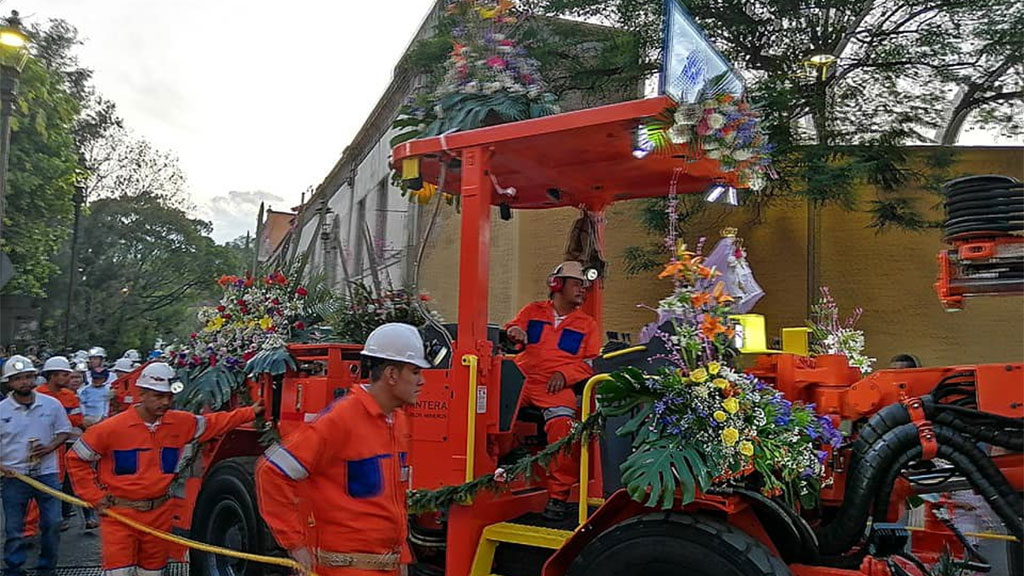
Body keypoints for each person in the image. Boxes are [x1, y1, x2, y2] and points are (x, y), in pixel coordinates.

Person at [256, 323, 430, 575]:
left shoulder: (398, 421)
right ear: (392, 374)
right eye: (415, 372)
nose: (422, 381)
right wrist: (295, 544)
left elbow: (391, 500)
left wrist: (400, 558)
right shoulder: (342, 418)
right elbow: (271, 471)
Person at [67, 362, 262, 576]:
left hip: (159, 515)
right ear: (142, 393)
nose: (165, 402)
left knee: (153, 572)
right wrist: (94, 496)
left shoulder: (180, 423)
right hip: (120, 516)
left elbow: (215, 422)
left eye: (169, 396)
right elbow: (76, 458)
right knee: (119, 573)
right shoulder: (111, 428)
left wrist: (250, 412)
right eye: (158, 396)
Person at [504, 261, 602, 521]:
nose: (582, 290)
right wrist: (513, 332)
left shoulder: (587, 324)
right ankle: (505, 465)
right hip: (523, 380)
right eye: (577, 284)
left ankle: (557, 495)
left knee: (563, 426)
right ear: (557, 285)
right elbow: (512, 332)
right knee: (492, 411)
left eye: (585, 286)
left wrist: (565, 375)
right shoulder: (532, 311)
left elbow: (590, 363)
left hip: (555, 387)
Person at [0, 355, 73, 576]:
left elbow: (64, 431)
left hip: (47, 474)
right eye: (18, 378)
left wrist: (50, 447)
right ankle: (14, 569)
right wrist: (3, 467)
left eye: (28, 377)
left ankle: (47, 569)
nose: (24, 382)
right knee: (14, 528)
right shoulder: (2, 410)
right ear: (9, 383)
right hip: (15, 477)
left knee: (52, 523)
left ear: (35, 378)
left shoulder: (51, 405)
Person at [35, 357, 85, 531]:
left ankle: (55, 519)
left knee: (59, 482)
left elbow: (78, 419)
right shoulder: (37, 394)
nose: (68, 379)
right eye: (64, 375)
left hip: (62, 444)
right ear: (52, 376)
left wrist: (59, 419)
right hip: (40, 446)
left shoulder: (70, 396)